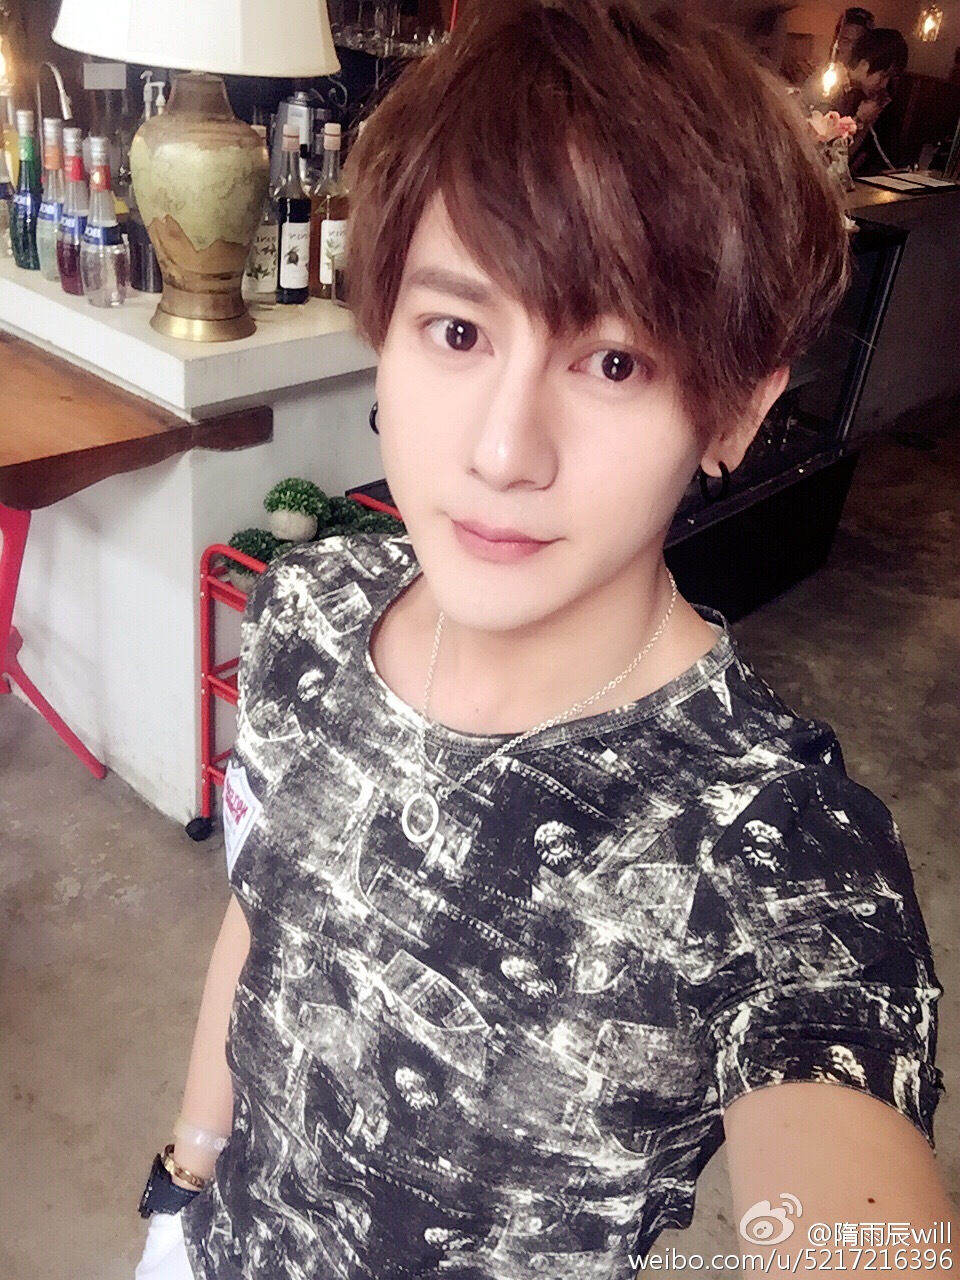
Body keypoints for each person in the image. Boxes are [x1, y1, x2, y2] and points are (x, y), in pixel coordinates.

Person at [133, 2, 957, 1276]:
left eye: (615, 361)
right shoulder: (313, 612)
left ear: (738, 408)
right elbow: (266, 910)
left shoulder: (768, 852)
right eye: (459, 331)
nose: (504, 450)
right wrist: (187, 1169)